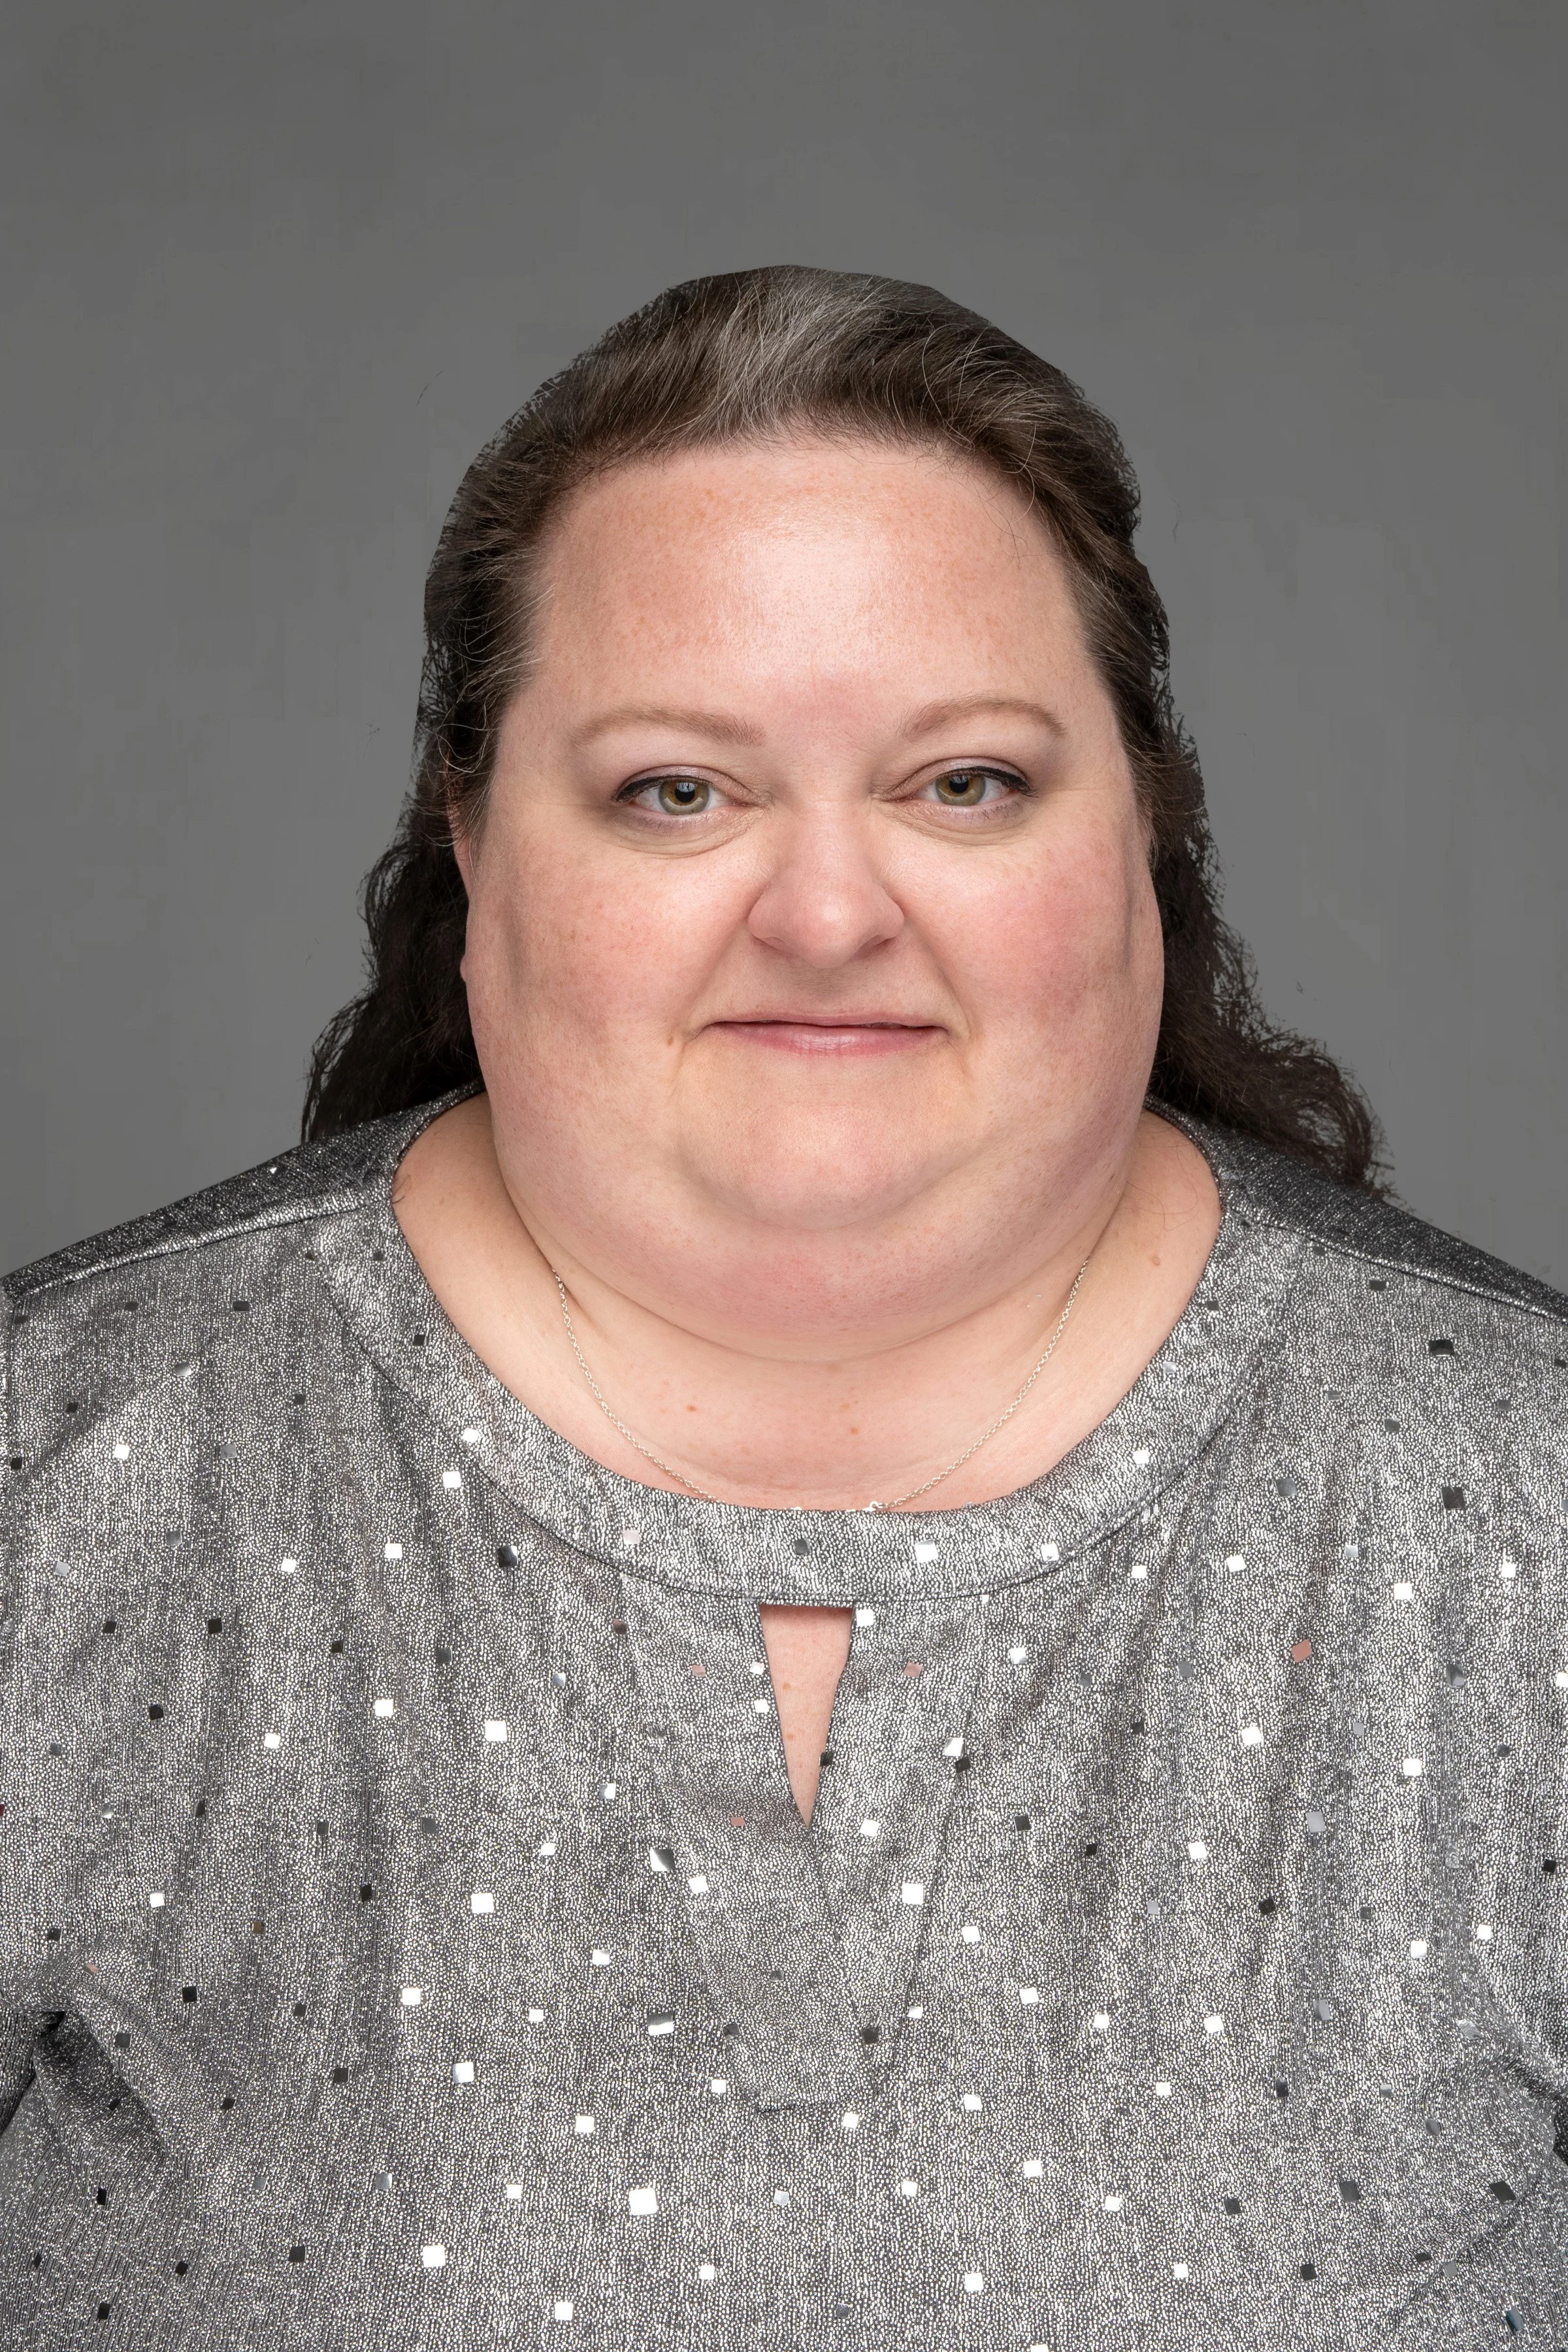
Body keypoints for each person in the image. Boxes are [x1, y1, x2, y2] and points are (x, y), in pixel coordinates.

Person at [2, 266, 1563, 2351]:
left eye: (966, 784)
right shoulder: (62, 1480)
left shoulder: (1519, 1514)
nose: (829, 915)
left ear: (1143, 837)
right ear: (469, 843)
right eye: (678, 789)